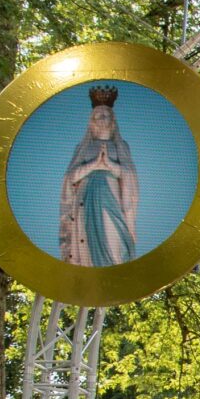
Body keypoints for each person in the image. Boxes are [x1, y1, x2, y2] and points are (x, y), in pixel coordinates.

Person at [57, 84, 141, 267]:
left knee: (114, 242)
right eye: (98, 115)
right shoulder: (84, 147)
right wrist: (93, 165)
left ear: (113, 120)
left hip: (112, 200)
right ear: (92, 120)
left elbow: (130, 176)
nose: (102, 118)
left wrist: (110, 165)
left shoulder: (121, 146)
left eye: (106, 115)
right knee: (87, 242)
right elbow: (70, 178)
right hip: (86, 200)